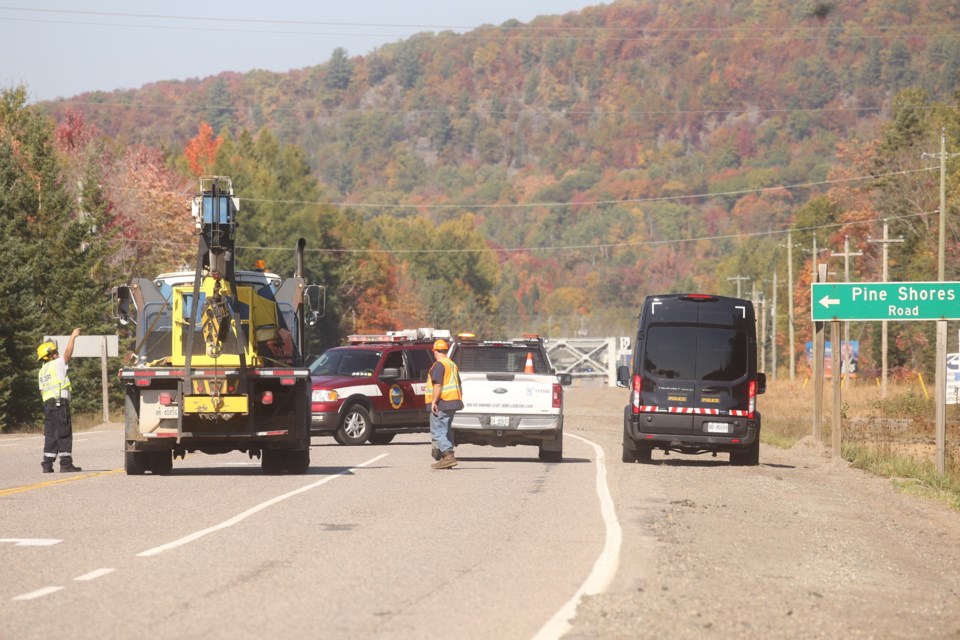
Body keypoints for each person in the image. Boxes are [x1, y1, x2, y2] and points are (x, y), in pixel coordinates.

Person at [37, 328, 83, 473]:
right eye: (55, 352)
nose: (58, 353)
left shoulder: (42, 370)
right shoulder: (56, 364)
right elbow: (68, 355)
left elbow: (41, 391)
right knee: (64, 432)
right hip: (59, 404)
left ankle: (47, 464)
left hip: (48, 405)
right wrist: (73, 337)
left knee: (51, 434)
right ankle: (66, 464)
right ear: (50, 355)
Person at [426, 338, 463, 470]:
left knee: (438, 431)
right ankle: (444, 458)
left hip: (442, 402)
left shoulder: (439, 365)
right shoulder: (452, 364)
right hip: (453, 402)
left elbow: (437, 385)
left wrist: (434, 401)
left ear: (435, 351)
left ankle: (448, 456)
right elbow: (459, 383)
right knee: (445, 430)